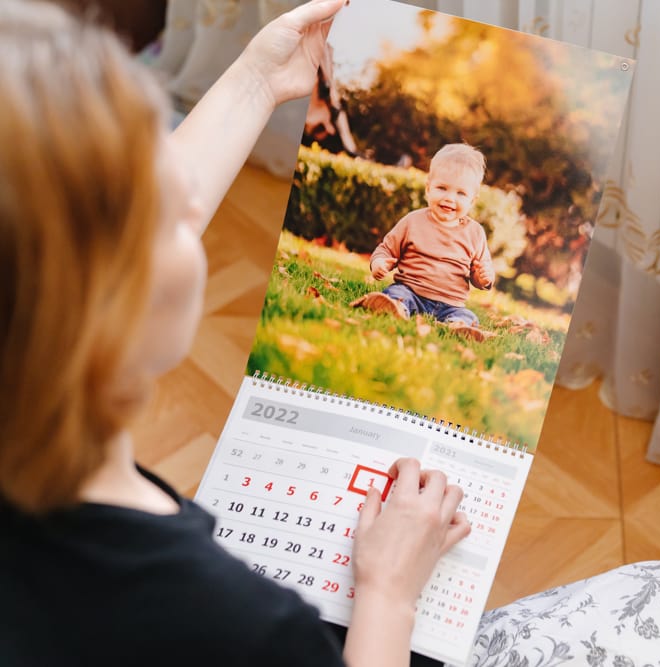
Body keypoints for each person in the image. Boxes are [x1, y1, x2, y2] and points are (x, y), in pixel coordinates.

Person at [0, 2, 468, 666]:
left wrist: (256, 78)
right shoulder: (233, 622)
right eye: (156, 214)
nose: (191, 201)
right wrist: (390, 592)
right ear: (98, 320)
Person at [351, 144, 497, 342]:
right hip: (411, 291)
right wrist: (379, 263)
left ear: (472, 201)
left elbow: (480, 276)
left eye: (461, 193)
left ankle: (456, 326)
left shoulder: (475, 233)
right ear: (428, 189)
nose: (449, 198)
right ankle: (395, 308)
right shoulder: (412, 221)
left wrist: (484, 277)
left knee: (468, 316)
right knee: (397, 294)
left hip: (451, 304)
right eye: (442, 188)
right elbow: (385, 249)